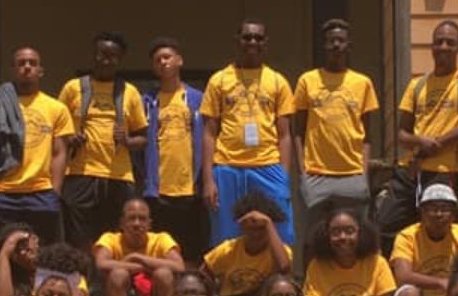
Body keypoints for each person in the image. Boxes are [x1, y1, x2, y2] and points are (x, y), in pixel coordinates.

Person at [382, 20, 458, 238]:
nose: (443, 47)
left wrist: (436, 144)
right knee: (387, 225)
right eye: (438, 42)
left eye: (450, 42)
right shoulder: (417, 85)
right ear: (431, 47)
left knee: (442, 232)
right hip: (412, 170)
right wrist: (421, 142)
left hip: (447, 171)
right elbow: (402, 134)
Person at [200, 20, 295, 247]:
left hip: (268, 167)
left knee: (280, 233)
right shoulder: (219, 80)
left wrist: (284, 177)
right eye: (247, 37)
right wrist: (208, 180)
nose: (253, 42)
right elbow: (209, 133)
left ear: (266, 43)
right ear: (237, 41)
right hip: (227, 167)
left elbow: (285, 135)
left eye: (258, 38)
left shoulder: (277, 81)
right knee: (226, 236)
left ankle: (279, 282)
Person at [0, 46, 73, 247]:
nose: (27, 67)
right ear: (13, 69)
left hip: (42, 192)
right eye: (21, 63)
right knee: (5, 251)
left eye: (32, 63)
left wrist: (55, 190)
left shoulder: (56, 108)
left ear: (40, 71)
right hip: (4, 191)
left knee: (43, 251)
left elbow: (60, 152)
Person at [58, 32, 148, 248]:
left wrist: (127, 140)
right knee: (78, 236)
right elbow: (56, 129)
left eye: (112, 56)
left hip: (118, 175)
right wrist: (71, 137)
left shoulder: (129, 92)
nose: (105, 60)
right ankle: (84, 280)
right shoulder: (73, 88)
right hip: (80, 173)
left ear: (120, 59)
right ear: (94, 55)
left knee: (116, 238)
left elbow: (143, 138)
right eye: (101, 54)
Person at [293, 18, 380, 239]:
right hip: (316, 174)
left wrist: (364, 172)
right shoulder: (307, 81)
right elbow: (298, 131)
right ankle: (310, 275)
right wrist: (302, 171)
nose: (336, 45)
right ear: (324, 45)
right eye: (331, 41)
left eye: (341, 41)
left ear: (348, 45)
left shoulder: (363, 83)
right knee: (315, 237)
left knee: (353, 237)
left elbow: (367, 135)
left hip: (352, 173)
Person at [142, 37, 208, 262]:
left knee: (193, 247)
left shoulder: (198, 98)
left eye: (167, 57)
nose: (163, 62)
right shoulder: (148, 100)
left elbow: (210, 138)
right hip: (159, 189)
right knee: (162, 248)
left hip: (191, 187)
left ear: (179, 61)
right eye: (158, 59)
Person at [201, 191, 292, 296]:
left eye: (261, 229)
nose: (256, 234)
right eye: (251, 229)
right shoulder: (228, 249)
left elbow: (284, 267)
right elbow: (201, 276)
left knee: (276, 283)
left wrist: (267, 222)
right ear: (242, 226)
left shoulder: (279, 250)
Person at [390, 183, 458, 296]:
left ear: (453, 214)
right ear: (422, 213)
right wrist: (440, 282)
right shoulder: (407, 236)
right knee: (408, 295)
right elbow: (403, 276)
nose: (438, 214)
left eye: (445, 209)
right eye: (432, 208)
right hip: (419, 294)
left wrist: (452, 287)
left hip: (451, 294)